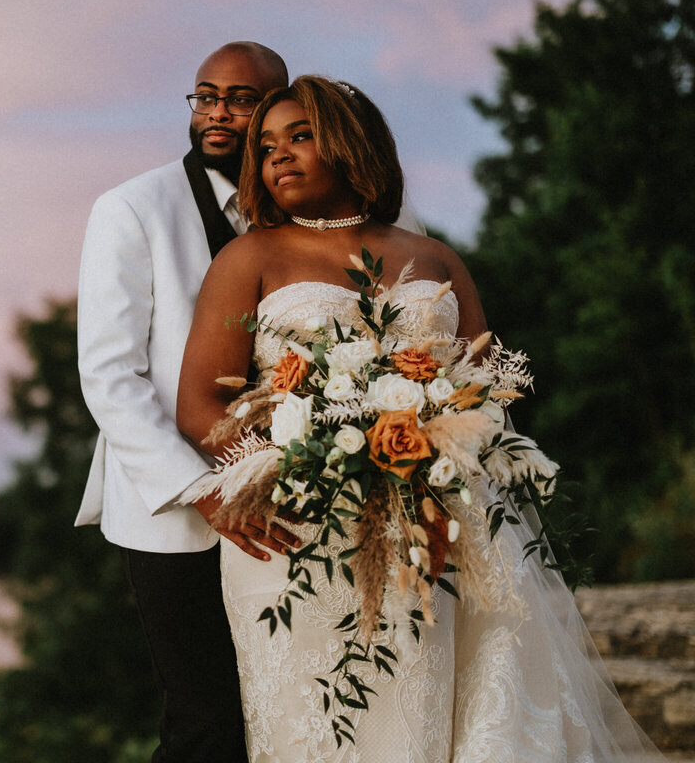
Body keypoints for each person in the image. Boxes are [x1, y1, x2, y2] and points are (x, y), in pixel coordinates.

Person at [175, 75, 663, 761]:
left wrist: (433, 434)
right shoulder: (248, 257)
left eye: (302, 136)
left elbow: (484, 388)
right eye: (267, 147)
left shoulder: (435, 259)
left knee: (432, 709)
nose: (278, 156)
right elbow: (200, 402)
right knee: (315, 719)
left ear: (353, 143)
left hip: (436, 520)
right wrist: (283, 466)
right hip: (299, 527)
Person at [75, 42, 294, 762]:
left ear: (281, 109)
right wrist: (201, 490)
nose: (218, 113)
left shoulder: (305, 204)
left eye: (240, 99)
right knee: (205, 723)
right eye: (205, 96)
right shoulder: (131, 209)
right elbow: (110, 376)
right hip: (175, 512)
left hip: (292, 508)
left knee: (286, 710)